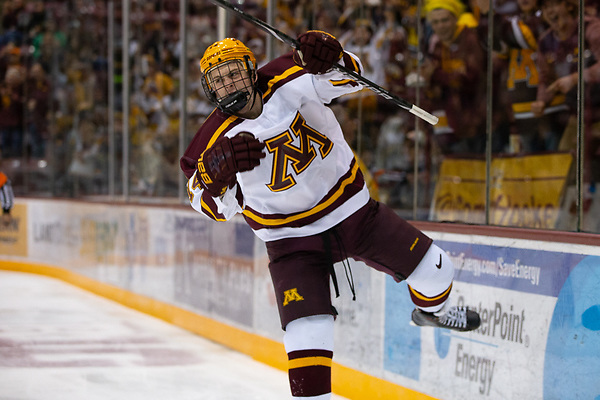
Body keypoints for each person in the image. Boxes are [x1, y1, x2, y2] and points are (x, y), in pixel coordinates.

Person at [180, 32, 481, 400]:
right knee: (308, 333)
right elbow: (208, 203)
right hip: (290, 243)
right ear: (209, 89)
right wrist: (214, 177)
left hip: (354, 214)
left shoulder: (289, 73)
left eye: (233, 73)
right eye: (219, 80)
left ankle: (432, 312)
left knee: (438, 269)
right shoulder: (211, 141)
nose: (229, 84)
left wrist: (331, 54)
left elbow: (351, 79)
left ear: (250, 69)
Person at [421, 0, 488, 155]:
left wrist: (436, 73)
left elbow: (469, 78)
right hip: (447, 120)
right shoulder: (436, 47)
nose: (441, 26)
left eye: (445, 20)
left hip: (474, 121)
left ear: (455, 19)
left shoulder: (470, 39)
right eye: (435, 22)